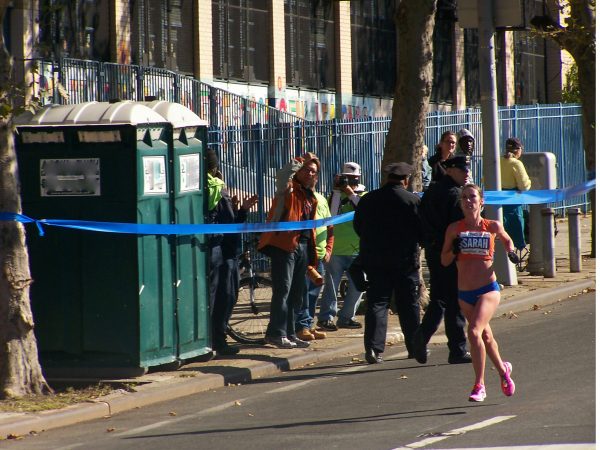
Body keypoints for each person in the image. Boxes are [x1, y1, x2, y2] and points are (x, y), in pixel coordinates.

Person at [441, 183, 517, 402]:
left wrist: (510, 252)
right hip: (465, 293)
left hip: (488, 289)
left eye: (472, 197)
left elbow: (507, 239)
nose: (468, 200)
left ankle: (479, 385)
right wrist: (454, 250)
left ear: (481, 201)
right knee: (485, 335)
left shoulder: (492, 226)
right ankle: (504, 372)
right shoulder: (454, 229)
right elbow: (444, 261)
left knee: (473, 332)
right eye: (464, 197)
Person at [353, 162, 422, 364]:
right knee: (409, 305)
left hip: (375, 260)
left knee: (377, 303)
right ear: (406, 180)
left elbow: (359, 227)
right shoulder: (412, 201)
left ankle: (374, 349)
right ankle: (414, 346)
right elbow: (421, 230)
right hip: (405, 261)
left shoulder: (368, 200)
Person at [412, 155, 472, 365]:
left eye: (467, 170)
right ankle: (456, 348)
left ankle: (423, 337)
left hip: (433, 249)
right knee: (453, 299)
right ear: (450, 170)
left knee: (440, 297)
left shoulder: (432, 191)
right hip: (450, 252)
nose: (467, 173)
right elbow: (458, 228)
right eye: (463, 170)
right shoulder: (455, 195)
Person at [258, 153, 321, 349]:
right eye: (307, 170)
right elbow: (283, 176)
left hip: (302, 246)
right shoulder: (288, 188)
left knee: (297, 292)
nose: (310, 174)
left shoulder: (310, 194)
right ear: (299, 170)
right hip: (283, 245)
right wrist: (298, 161)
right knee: (283, 290)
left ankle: (290, 333)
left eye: (314, 171)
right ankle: (277, 334)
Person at [206, 149, 258, 356]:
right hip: (223, 251)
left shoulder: (203, 189)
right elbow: (229, 225)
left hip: (212, 248)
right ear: (215, 167)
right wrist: (241, 212)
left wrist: (238, 209)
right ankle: (218, 340)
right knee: (225, 296)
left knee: (213, 296)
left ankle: (211, 339)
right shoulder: (217, 188)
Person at [317, 162, 367, 331]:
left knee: (358, 286)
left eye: (353, 179)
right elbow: (331, 215)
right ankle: (326, 318)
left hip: (357, 249)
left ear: (358, 178)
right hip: (337, 249)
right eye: (347, 179)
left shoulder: (364, 194)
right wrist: (338, 192)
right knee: (331, 287)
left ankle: (346, 317)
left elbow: (363, 209)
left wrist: (350, 192)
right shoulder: (335, 195)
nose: (350, 182)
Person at [294, 188, 332, 341]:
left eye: (314, 173)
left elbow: (330, 225)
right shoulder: (298, 197)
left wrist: (329, 248)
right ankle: (301, 326)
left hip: (320, 256)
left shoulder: (321, 199)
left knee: (313, 293)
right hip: (305, 254)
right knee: (303, 292)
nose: (311, 176)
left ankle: (308, 325)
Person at [500, 137, 531, 255]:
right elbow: (524, 185)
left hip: (497, 201)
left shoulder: (497, 161)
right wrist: (529, 183)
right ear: (518, 150)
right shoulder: (516, 163)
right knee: (516, 226)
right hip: (512, 202)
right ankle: (516, 252)